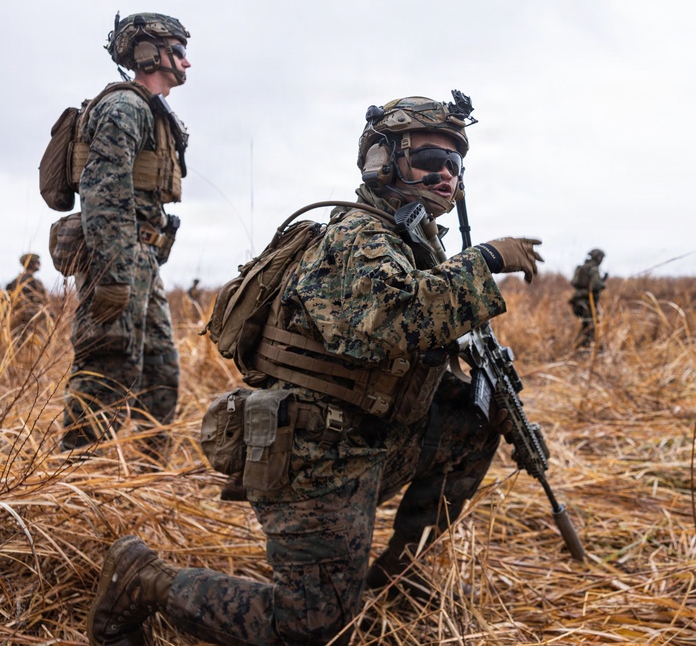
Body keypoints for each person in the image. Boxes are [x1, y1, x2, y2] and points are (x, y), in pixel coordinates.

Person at [87, 92, 543, 646]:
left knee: (469, 421)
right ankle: (143, 581)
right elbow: (391, 320)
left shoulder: (413, 240)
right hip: (315, 455)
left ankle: (399, 576)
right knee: (314, 631)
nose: (445, 174)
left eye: (454, 164)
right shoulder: (360, 235)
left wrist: (495, 406)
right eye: (428, 159)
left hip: (365, 439)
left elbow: (413, 356)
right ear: (384, 160)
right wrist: (488, 260)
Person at [60, 12, 191, 463]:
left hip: (142, 261)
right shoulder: (126, 107)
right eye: (178, 52)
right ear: (149, 54)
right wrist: (113, 276)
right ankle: (75, 486)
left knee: (160, 374)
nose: (186, 64)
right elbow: (104, 191)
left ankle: (147, 483)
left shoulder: (148, 109)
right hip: (118, 259)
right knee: (107, 370)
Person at [569, 248, 607, 346]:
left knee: (587, 325)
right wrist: (602, 284)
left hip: (577, 301)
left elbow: (574, 282)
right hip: (587, 303)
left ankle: (584, 346)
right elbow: (595, 286)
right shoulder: (594, 269)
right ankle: (584, 347)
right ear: (598, 258)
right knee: (590, 326)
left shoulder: (581, 268)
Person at [5, 253, 49, 334]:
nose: (39, 263)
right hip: (33, 321)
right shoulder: (34, 282)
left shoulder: (14, 281)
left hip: (17, 321)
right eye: (36, 262)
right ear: (30, 263)